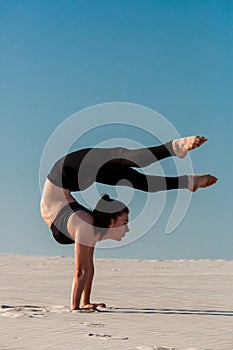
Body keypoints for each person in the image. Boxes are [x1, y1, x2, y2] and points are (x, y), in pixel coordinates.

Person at [40, 135, 217, 311]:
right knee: (124, 158)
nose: (127, 227)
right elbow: (81, 271)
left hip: (72, 178)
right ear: (111, 219)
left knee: (138, 179)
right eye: (124, 221)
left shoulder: (88, 226)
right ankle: (175, 149)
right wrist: (76, 308)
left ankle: (188, 181)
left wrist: (85, 302)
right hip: (67, 170)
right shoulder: (86, 226)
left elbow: (87, 268)